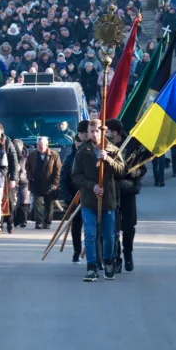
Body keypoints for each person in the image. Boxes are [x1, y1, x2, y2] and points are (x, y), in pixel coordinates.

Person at [70, 119, 125, 282]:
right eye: (91, 131)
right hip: (89, 200)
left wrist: (108, 159)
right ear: (88, 132)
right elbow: (76, 176)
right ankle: (92, 267)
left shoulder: (112, 149)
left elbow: (122, 171)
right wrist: (92, 186)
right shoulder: (82, 151)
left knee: (109, 236)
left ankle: (108, 263)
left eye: (97, 131)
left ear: (103, 131)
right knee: (89, 234)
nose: (94, 134)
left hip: (107, 200)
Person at [108, 119, 146, 272]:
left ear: (115, 132)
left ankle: (128, 253)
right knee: (113, 227)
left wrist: (134, 172)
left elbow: (142, 168)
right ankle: (116, 258)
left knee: (129, 227)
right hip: (111, 192)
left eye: (108, 131)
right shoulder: (106, 146)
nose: (105, 134)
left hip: (128, 190)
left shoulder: (132, 146)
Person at [26, 136, 61, 230]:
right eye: (38, 145)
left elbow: (57, 170)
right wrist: (30, 178)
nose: (39, 146)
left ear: (46, 145)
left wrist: (55, 183)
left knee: (48, 204)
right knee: (37, 204)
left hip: (49, 183)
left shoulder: (54, 155)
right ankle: (39, 222)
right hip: (36, 182)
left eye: (41, 144)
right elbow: (27, 167)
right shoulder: (32, 155)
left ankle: (47, 222)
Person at [59, 131, 83, 263]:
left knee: (92, 228)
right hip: (75, 198)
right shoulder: (69, 158)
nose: (79, 143)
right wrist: (67, 197)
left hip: (90, 196)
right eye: (77, 141)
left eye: (81, 141)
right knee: (76, 226)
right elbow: (63, 179)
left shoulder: (91, 155)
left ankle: (96, 255)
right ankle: (76, 251)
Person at [13, 138, 30, 228]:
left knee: (24, 200)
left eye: (18, 146)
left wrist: (26, 175)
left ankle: (24, 220)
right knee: (16, 201)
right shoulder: (11, 155)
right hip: (14, 181)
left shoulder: (27, 156)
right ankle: (15, 221)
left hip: (24, 181)